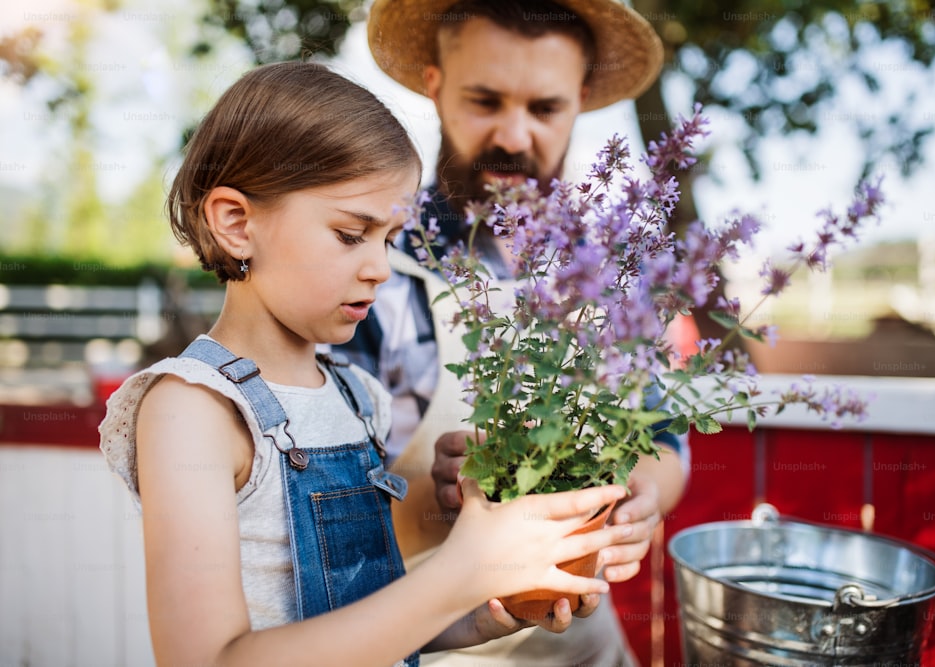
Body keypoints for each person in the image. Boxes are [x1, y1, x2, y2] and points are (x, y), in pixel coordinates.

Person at [98, 61, 637, 667]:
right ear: (237, 223)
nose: (381, 266)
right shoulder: (192, 410)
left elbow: (363, 621)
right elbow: (208, 659)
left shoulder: (358, 397)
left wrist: (479, 614)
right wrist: (460, 570)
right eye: (352, 235)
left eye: (389, 238)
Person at [337, 1, 692, 664]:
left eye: (545, 108)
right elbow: (311, 501)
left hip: (583, 645)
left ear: (581, 101)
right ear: (435, 83)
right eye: (484, 99)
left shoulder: (613, 263)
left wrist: (642, 492)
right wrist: (432, 498)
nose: (513, 134)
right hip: (416, 644)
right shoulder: (370, 253)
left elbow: (664, 434)